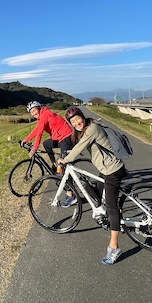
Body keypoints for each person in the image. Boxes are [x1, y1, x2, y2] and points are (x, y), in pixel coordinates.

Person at [57, 106, 126, 266]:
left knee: (111, 206)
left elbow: (80, 147)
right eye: (73, 121)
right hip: (106, 170)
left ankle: (114, 247)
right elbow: (79, 145)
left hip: (112, 171)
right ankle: (116, 220)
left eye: (77, 118)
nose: (76, 122)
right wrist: (68, 154)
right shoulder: (86, 130)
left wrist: (65, 160)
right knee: (97, 194)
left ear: (82, 116)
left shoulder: (92, 128)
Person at [20, 101, 76, 204]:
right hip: (59, 138)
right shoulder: (41, 117)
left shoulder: (45, 114)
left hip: (66, 137)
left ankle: (70, 194)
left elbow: (40, 133)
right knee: (47, 144)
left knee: (64, 165)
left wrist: (34, 148)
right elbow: (37, 130)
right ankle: (54, 163)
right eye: (31, 112)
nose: (33, 113)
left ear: (39, 107)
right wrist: (26, 140)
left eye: (34, 110)